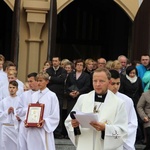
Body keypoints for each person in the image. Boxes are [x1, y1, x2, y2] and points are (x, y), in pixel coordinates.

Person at [65, 68, 128, 150]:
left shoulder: (119, 103)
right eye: (95, 81)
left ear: (109, 82)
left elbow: (122, 131)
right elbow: (68, 122)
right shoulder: (83, 99)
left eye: (101, 81)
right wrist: (75, 125)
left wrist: (105, 128)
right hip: (85, 145)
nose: (98, 84)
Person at [25, 72, 59, 150]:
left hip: (44, 129)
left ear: (47, 81)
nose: (38, 83)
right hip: (33, 129)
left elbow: (55, 114)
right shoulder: (33, 95)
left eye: (41, 81)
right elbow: (29, 110)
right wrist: (27, 120)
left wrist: (45, 121)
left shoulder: (52, 96)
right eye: (37, 81)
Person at [108, 69, 137, 150]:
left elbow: (132, 123)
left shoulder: (127, 100)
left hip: (122, 141)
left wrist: (120, 134)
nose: (116, 87)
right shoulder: (97, 98)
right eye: (112, 83)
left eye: (118, 83)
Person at [16, 72, 39, 150]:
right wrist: (29, 109)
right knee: (23, 146)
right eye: (28, 81)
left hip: (37, 127)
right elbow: (18, 111)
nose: (29, 83)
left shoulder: (43, 95)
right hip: (25, 126)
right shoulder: (24, 95)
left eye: (31, 81)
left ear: (37, 81)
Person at [46, 56, 67, 138]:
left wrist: (51, 78)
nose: (54, 62)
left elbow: (62, 80)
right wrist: (56, 79)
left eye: (56, 61)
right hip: (50, 94)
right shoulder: (48, 70)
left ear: (59, 62)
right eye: (53, 61)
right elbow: (47, 80)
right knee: (49, 112)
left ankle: (58, 132)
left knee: (58, 113)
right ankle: (50, 130)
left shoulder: (63, 70)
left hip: (59, 95)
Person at [0, 81, 21, 150]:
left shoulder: (20, 100)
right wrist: (7, 112)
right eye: (10, 87)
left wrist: (16, 113)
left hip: (15, 128)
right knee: (4, 146)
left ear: (17, 89)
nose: (11, 89)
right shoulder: (4, 101)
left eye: (13, 87)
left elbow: (22, 113)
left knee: (16, 146)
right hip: (6, 128)